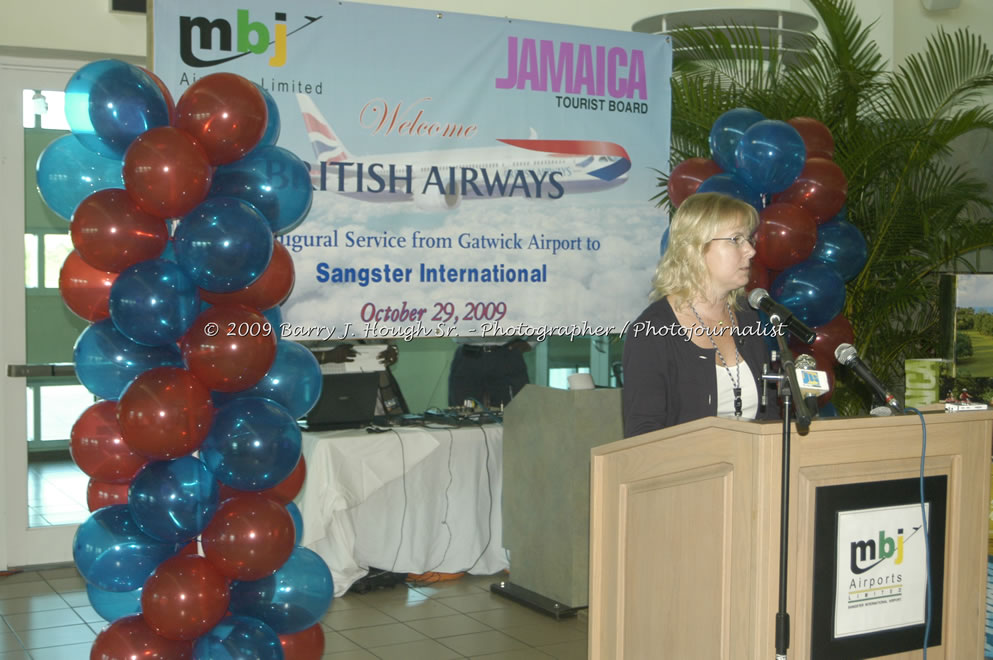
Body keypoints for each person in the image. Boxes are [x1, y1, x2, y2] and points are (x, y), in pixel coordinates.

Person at [622, 192, 779, 438]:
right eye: (736, 239)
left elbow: (771, 415)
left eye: (749, 239)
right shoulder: (652, 331)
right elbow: (642, 434)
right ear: (696, 248)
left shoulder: (746, 316)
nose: (750, 251)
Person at [448, 338, 532, 408]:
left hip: (507, 354)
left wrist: (531, 342)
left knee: (516, 413)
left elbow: (539, 322)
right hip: (467, 356)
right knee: (462, 414)